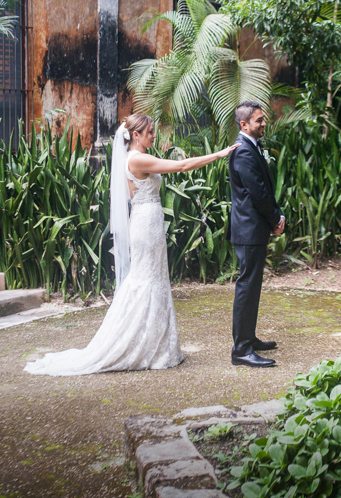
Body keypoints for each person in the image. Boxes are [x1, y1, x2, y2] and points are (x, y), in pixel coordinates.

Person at [24, 114, 239, 376]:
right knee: (146, 280)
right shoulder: (137, 159)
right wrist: (219, 155)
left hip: (147, 220)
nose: (153, 136)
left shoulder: (132, 157)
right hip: (146, 223)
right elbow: (182, 166)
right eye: (149, 132)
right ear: (135, 135)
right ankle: (142, 344)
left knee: (153, 278)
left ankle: (158, 345)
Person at [228, 101, 285, 368]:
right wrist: (276, 218)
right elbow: (258, 194)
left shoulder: (252, 147)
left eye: (263, 120)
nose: (264, 124)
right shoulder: (243, 153)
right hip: (249, 229)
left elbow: (263, 189)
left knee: (252, 287)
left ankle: (248, 338)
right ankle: (240, 350)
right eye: (259, 120)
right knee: (246, 288)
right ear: (244, 125)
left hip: (254, 228)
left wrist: (275, 216)